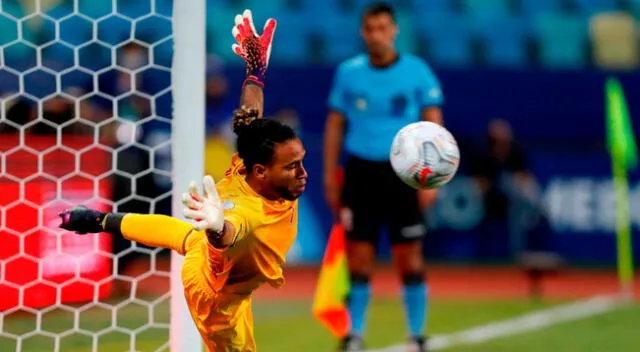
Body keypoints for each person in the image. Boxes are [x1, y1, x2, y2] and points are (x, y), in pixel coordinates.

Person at [58, 9, 308, 352]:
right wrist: (218, 228)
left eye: (301, 162)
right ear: (262, 173)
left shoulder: (250, 167)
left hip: (213, 257)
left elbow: (252, 118)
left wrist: (255, 70)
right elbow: (233, 228)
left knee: (187, 238)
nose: (302, 173)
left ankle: (100, 220)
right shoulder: (250, 212)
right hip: (218, 297)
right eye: (293, 166)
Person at [323, 3, 444, 351]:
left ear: (394, 31)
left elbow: (434, 125)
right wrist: (331, 175)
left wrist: (433, 179)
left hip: (404, 175)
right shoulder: (349, 73)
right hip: (361, 171)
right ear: (363, 32)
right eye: (370, 29)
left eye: (382, 28)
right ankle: (355, 335)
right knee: (358, 258)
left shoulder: (417, 72)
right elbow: (334, 125)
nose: (376, 35)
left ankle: (416, 335)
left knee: (409, 257)